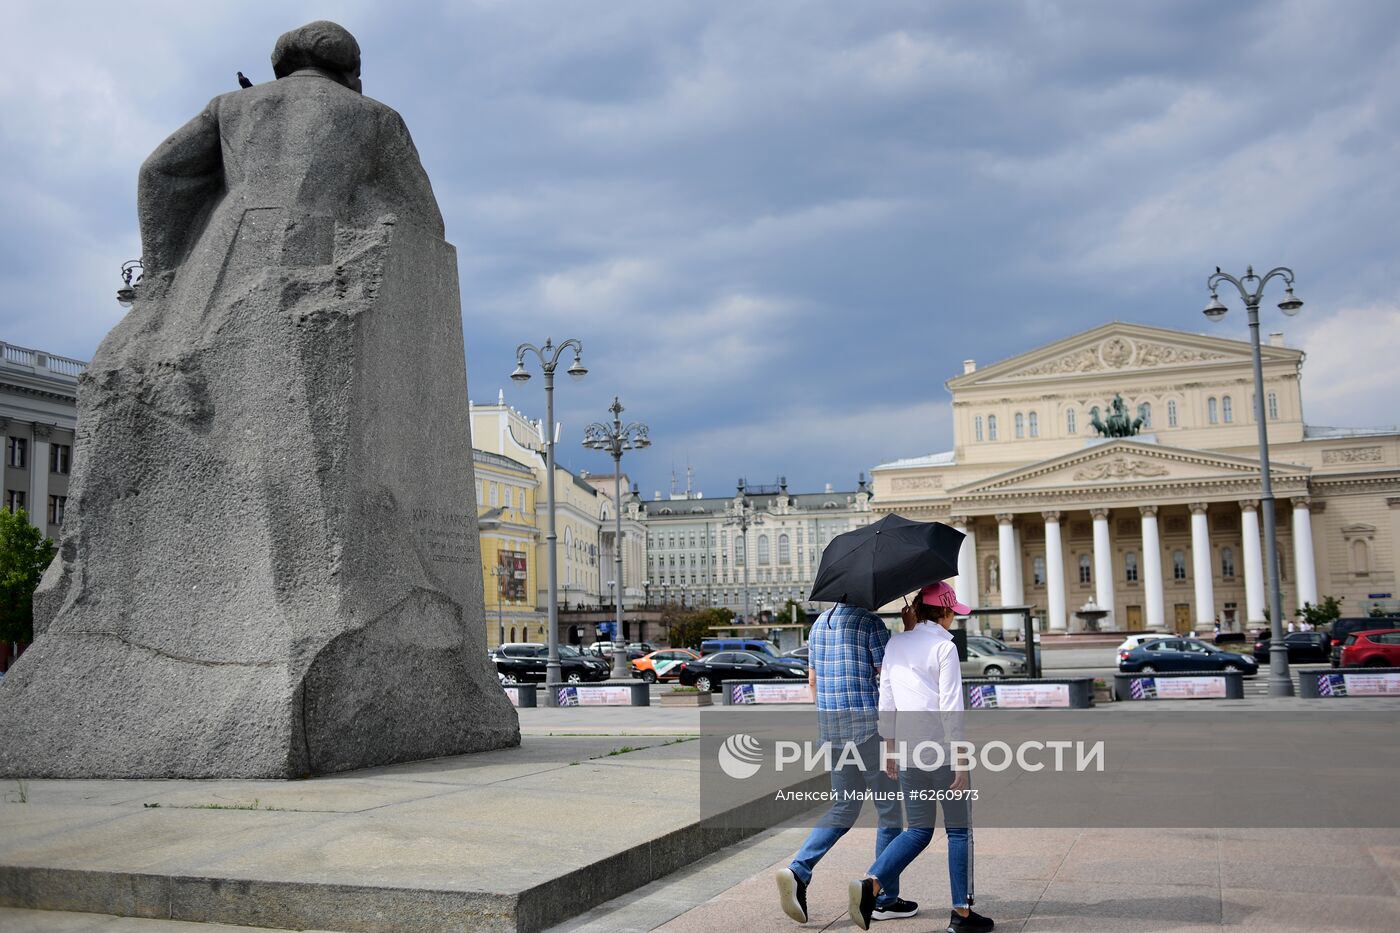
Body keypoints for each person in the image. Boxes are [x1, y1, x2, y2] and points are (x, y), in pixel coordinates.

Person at [848, 582, 994, 932]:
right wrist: (960, 756)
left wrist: (889, 747)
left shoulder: (897, 642)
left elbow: (888, 696)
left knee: (917, 830)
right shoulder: (944, 649)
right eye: (952, 613)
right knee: (959, 832)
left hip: (909, 753)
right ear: (942, 612)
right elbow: (950, 706)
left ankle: (872, 884)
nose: (953, 620)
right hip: (942, 752)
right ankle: (961, 914)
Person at [776, 602, 918, 923]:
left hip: (832, 731)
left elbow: (812, 682)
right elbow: (892, 677)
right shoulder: (870, 623)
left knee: (844, 807)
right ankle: (884, 897)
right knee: (889, 810)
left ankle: (799, 869)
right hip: (868, 729)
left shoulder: (818, 626)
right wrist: (909, 630)